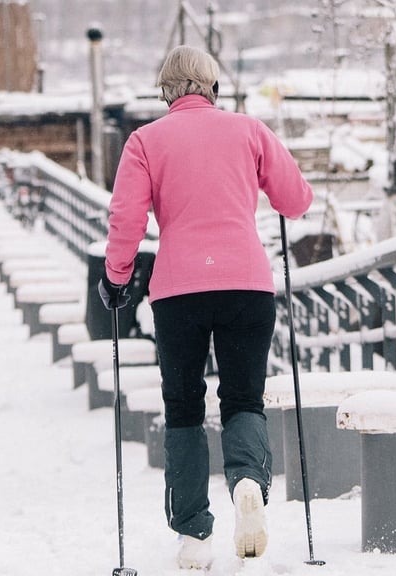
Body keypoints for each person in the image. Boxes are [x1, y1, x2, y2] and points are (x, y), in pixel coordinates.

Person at [99, 45, 313, 569]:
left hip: (178, 291)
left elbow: (126, 219)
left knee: (184, 407)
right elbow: (296, 201)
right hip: (247, 285)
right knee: (244, 398)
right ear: (213, 87)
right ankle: (246, 484)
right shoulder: (250, 130)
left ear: (165, 92)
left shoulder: (144, 140)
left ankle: (194, 533)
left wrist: (115, 278)